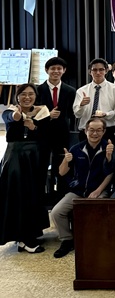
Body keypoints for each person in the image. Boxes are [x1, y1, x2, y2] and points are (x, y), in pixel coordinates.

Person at [51, 117, 113, 258]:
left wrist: (98, 191)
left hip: (99, 191)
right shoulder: (76, 148)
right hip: (78, 190)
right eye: (91, 130)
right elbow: (61, 172)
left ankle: (95, 240)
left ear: (104, 132)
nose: (95, 133)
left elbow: (110, 174)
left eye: (99, 130)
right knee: (56, 212)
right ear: (85, 131)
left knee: (96, 212)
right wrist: (66, 160)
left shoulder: (108, 148)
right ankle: (67, 240)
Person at [0, 84, 50, 253]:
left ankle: (28, 235)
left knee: (34, 195)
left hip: (35, 159)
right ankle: (23, 238)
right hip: (16, 159)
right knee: (19, 196)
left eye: (31, 94)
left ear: (35, 96)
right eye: (23, 94)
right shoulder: (11, 111)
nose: (27, 97)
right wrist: (18, 115)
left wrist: (33, 127)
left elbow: (46, 135)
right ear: (17, 96)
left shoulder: (42, 112)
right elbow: (12, 117)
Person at [36, 56, 77, 198]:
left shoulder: (70, 91)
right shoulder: (37, 90)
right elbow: (33, 113)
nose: (56, 71)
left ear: (64, 70)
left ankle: (60, 196)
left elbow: (72, 114)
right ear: (46, 70)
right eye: (52, 68)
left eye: (59, 68)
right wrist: (48, 115)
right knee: (41, 165)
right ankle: (41, 196)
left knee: (61, 165)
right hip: (42, 133)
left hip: (62, 134)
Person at [73, 58, 115, 133]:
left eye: (101, 70)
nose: (98, 73)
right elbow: (77, 115)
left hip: (107, 129)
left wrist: (106, 114)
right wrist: (81, 105)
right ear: (90, 72)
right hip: (86, 130)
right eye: (94, 70)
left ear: (106, 71)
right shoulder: (81, 91)